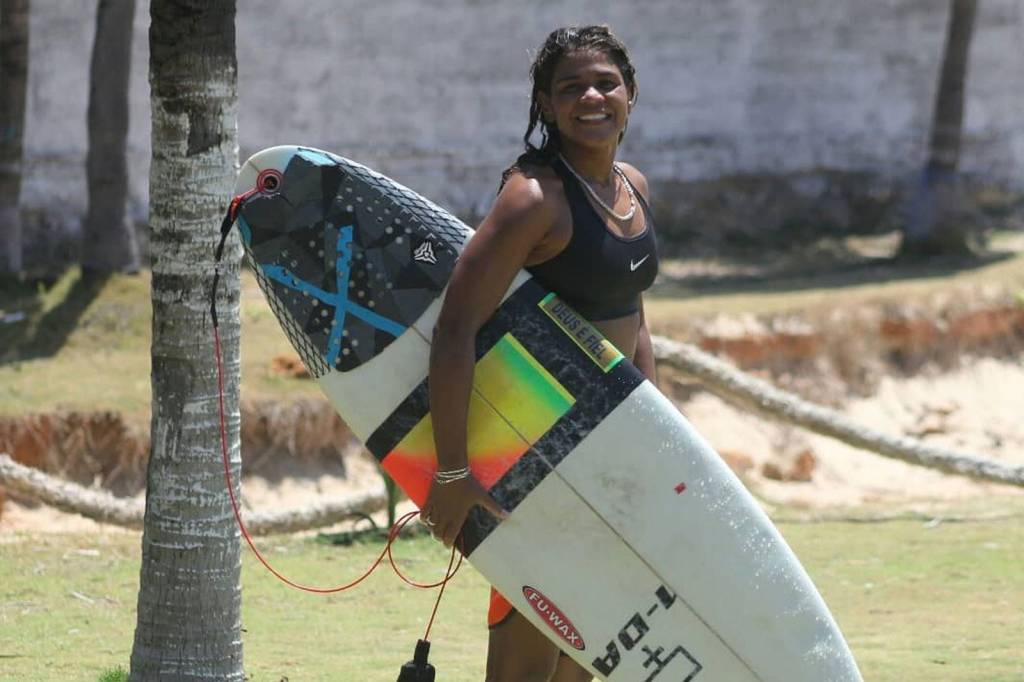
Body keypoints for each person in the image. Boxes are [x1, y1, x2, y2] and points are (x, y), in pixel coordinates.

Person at [419, 25, 659, 682]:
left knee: (591, 644)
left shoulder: (631, 187)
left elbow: (634, 316)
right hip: (538, 454)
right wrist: (450, 470)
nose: (591, 95)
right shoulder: (533, 198)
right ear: (546, 105)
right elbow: (455, 329)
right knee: (531, 643)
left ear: (630, 95)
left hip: (608, 456)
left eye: (606, 82)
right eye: (570, 87)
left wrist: (660, 432)